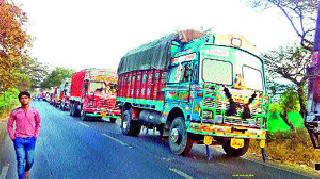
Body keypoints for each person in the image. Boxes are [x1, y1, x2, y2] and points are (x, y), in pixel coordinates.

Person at [7, 91, 41, 179]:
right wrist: (13, 137)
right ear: (19, 100)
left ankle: (26, 170)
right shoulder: (15, 112)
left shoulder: (34, 111)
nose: (24, 100)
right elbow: (9, 125)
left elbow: (38, 123)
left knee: (30, 161)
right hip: (19, 139)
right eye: (22, 98)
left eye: (26, 98)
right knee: (20, 160)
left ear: (29, 99)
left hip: (31, 139)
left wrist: (35, 136)